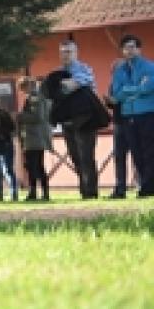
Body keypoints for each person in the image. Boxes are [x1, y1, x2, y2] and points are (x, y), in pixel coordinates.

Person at [107, 34, 154, 198]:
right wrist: (136, 90)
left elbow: (148, 87)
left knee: (149, 150)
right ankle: (145, 184)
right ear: (122, 51)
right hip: (128, 115)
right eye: (126, 48)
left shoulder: (149, 67)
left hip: (147, 113)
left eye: (133, 47)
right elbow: (116, 93)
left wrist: (128, 90)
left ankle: (149, 186)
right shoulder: (119, 71)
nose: (129, 51)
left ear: (139, 49)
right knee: (136, 151)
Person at [56, 40, 100, 199]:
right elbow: (51, 91)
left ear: (76, 53)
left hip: (86, 118)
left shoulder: (85, 69)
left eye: (68, 52)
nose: (65, 55)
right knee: (75, 156)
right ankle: (83, 189)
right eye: (62, 52)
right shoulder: (58, 72)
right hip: (67, 119)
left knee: (86, 155)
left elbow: (75, 84)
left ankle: (91, 191)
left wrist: (64, 84)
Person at [16, 76, 52, 201]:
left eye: (22, 89)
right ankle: (42, 192)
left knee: (33, 166)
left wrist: (19, 116)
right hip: (37, 136)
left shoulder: (35, 97)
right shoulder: (42, 96)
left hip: (34, 136)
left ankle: (35, 192)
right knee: (36, 165)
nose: (23, 92)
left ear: (27, 86)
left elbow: (37, 116)